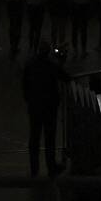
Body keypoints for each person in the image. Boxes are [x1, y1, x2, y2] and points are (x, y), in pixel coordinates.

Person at [22, 46, 68, 178]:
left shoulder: (30, 65)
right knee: (49, 138)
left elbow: (24, 84)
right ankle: (51, 166)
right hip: (49, 107)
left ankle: (34, 168)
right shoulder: (51, 65)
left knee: (34, 137)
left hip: (35, 105)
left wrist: (29, 99)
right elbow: (65, 76)